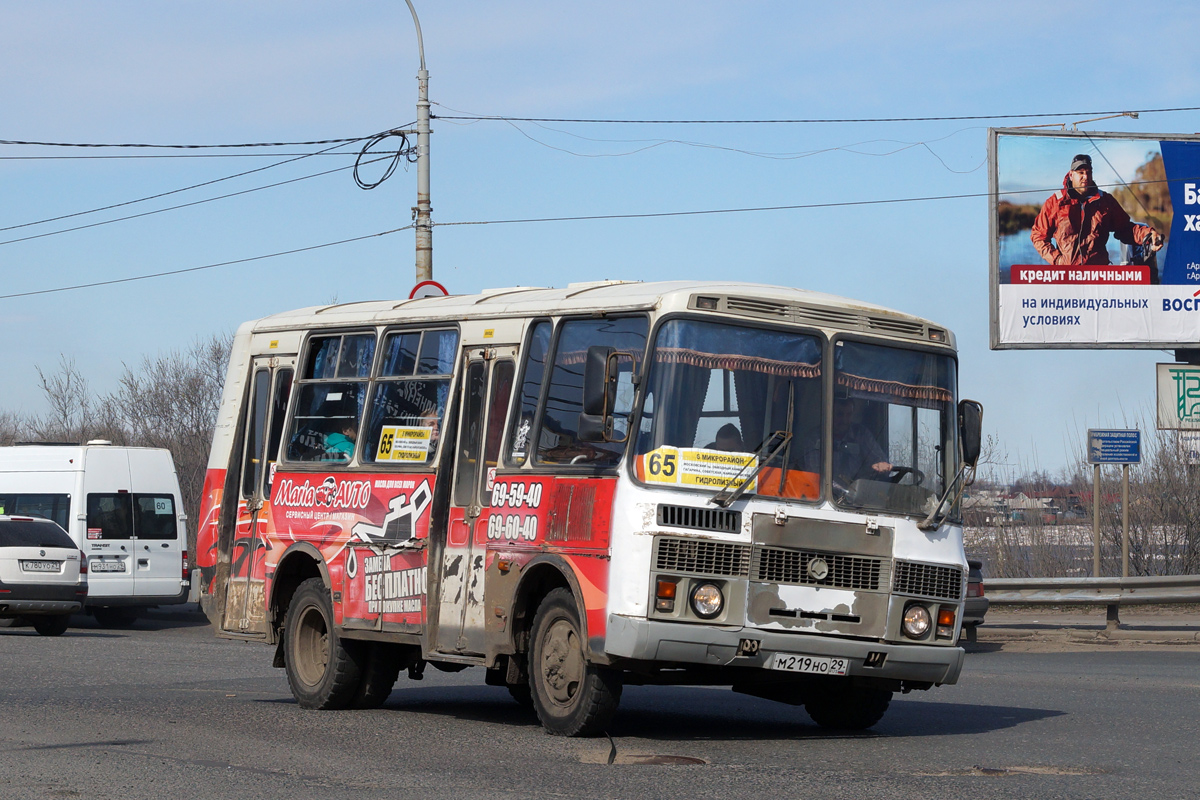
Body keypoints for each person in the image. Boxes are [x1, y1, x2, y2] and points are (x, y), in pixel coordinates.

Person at [1031, 153, 1163, 267]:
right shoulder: (1055, 202)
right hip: (1067, 276)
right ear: (1071, 175)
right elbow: (1038, 236)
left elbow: (1125, 229)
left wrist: (1148, 235)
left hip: (1098, 275)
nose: (1085, 176)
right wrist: (1058, 260)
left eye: (1088, 172)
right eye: (1080, 172)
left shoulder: (1106, 201)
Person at [831, 401, 891, 484]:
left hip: (859, 493)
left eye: (848, 415)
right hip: (829, 494)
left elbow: (878, 459)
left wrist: (882, 465)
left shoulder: (861, 434)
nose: (844, 420)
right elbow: (817, 477)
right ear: (830, 414)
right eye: (839, 414)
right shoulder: (816, 439)